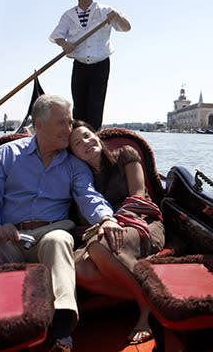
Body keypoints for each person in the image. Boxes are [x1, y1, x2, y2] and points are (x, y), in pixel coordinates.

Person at [0, 95, 125, 352]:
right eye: (62, 123)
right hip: (8, 238)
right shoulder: (6, 154)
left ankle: (62, 334)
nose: (69, 130)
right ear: (39, 125)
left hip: (49, 237)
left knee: (59, 239)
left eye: (70, 123)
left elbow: (88, 196)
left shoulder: (73, 165)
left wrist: (107, 217)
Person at [68, 120, 165, 345]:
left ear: (97, 136)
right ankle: (152, 299)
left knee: (98, 246)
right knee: (76, 267)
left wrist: (113, 222)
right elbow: (85, 219)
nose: (85, 142)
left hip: (142, 221)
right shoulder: (81, 179)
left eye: (87, 135)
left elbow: (139, 195)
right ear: (73, 154)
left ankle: (145, 311)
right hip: (105, 229)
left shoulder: (125, 154)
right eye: (76, 143)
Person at [50, 0, 131, 131]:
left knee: (96, 104)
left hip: (100, 64)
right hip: (79, 65)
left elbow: (126, 27)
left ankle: (93, 136)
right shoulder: (68, 15)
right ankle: (78, 136)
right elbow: (57, 36)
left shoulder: (106, 11)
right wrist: (64, 44)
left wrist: (118, 17)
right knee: (79, 104)